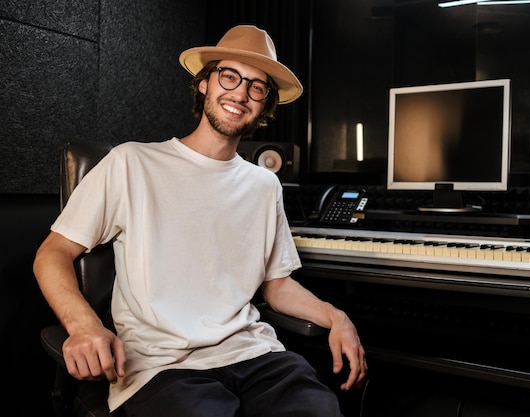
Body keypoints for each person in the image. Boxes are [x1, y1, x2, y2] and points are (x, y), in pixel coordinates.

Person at [33, 25, 367, 417]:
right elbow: (52, 253)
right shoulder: (132, 163)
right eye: (229, 76)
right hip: (162, 367)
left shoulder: (264, 185)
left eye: (256, 87)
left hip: (256, 356)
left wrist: (336, 316)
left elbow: (276, 285)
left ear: (264, 105)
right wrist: (83, 326)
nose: (241, 93)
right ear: (205, 83)